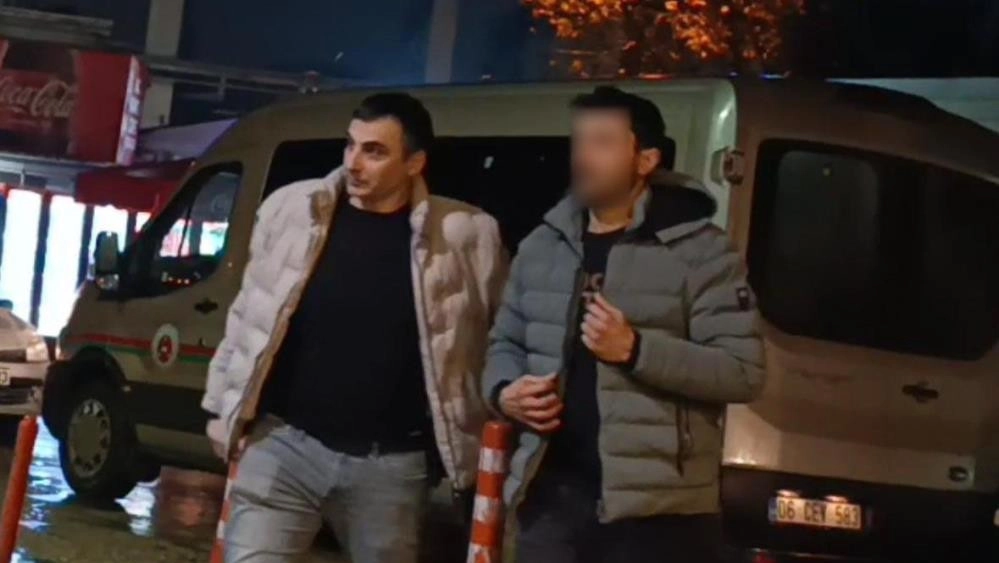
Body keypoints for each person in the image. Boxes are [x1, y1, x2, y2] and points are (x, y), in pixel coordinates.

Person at [201, 92, 508, 563]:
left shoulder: (465, 235)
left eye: (374, 151)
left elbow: (498, 334)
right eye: (350, 145)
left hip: (390, 464)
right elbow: (248, 313)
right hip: (282, 443)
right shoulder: (293, 210)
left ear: (414, 163)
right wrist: (220, 407)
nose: (353, 163)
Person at [482, 86, 765, 563]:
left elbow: (743, 372)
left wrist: (636, 350)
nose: (583, 157)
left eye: (602, 143)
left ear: (646, 159)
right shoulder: (543, 245)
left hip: (658, 514)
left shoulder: (700, 250)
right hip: (550, 498)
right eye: (579, 141)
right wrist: (504, 391)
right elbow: (503, 342)